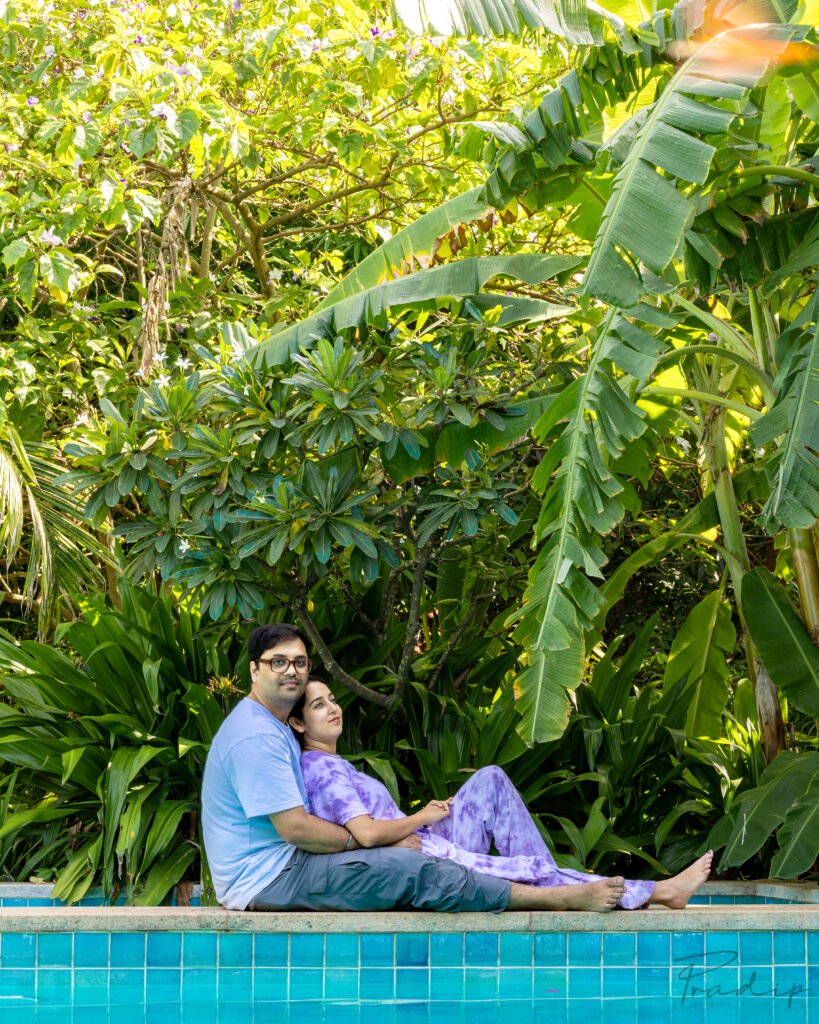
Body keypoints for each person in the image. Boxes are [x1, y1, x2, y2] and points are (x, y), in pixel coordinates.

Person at [201, 622, 711, 913]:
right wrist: (374, 840)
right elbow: (296, 829)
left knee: (487, 782)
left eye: (299, 662)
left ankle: (563, 886)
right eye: (278, 662)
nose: (291, 670)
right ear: (255, 670)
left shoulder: (276, 727)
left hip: (306, 859)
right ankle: (558, 899)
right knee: (413, 869)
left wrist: (402, 829)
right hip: (270, 878)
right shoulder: (259, 736)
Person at [289, 677, 714, 911]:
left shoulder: (331, 763)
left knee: (490, 779)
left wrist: (420, 820)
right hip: (418, 856)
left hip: (420, 842)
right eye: (318, 705)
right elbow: (364, 833)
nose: (333, 708)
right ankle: (659, 892)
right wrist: (420, 818)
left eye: (332, 699)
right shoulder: (321, 768)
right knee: (501, 814)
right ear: (298, 724)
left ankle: (550, 880)